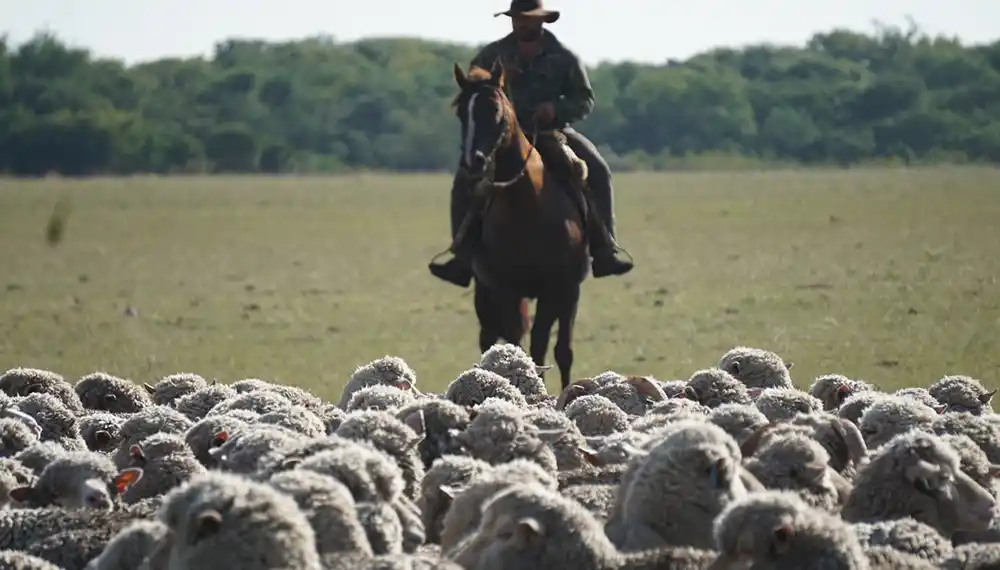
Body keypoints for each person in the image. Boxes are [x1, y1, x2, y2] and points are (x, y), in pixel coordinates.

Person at [428, 0, 635, 288]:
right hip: (502, 139)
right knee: (464, 179)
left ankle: (604, 250)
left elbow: (584, 99)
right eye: (516, 18)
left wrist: (556, 109)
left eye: (526, 18)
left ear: (541, 20)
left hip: (550, 133)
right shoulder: (492, 54)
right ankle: (461, 258)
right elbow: (473, 92)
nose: (520, 23)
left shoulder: (564, 57)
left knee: (597, 169)